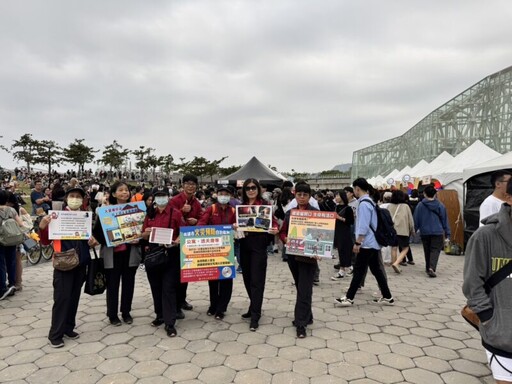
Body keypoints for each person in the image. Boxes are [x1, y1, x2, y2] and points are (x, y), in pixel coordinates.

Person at [462, 178, 512, 384]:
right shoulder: (484, 237)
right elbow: (472, 283)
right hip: (502, 335)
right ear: (508, 198)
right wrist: (488, 317)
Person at [38, 186, 93, 348]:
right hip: (64, 263)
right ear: (66, 198)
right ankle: (55, 334)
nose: (75, 199)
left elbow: (86, 239)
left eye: (79, 197)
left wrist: (91, 241)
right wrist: (42, 227)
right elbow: (46, 241)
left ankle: (69, 327)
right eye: (72, 196)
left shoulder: (84, 216)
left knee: (74, 297)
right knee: (62, 298)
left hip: (81, 263)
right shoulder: (56, 217)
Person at [335, 178, 394, 306]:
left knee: (359, 270)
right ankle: (387, 296)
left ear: (357, 189)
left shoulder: (364, 204)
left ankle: (349, 298)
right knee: (375, 270)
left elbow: (363, 226)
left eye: (354, 189)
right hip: (372, 242)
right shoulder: (370, 202)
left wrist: (357, 243)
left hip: (367, 243)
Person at [90, 181, 141, 326]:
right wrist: (107, 238)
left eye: (127, 190)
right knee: (112, 285)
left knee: (128, 284)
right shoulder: (106, 212)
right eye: (121, 190)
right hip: (112, 254)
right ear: (113, 194)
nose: (125, 192)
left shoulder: (135, 210)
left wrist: (138, 239)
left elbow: (140, 230)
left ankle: (126, 312)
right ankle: (112, 314)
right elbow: (98, 233)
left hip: (129, 253)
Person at [141, 186, 184, 337]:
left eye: (163, 195)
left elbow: (183, 233)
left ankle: (170, 322)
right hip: (152, 254)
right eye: (157, 196)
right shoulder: (149, 214)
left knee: (168, 288)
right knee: (156, 287)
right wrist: (146, 233)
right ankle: (159, 315)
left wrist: (175, 242)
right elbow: (144, 235)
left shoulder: (176, 213)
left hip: (170, 254)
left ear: (168, 197)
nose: (160, 199)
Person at [279, 181, 320, 338]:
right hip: (293, 256)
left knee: (304, 288)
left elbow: (322, 234)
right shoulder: (291, 213)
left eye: (305, 194)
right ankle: (307, 316)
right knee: (301, 286)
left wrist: (320, 249)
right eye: (299, 194)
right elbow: (282, 232)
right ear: (295, 195)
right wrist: (286, 239)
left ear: (309, 196)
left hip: (309, 257)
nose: (302, 197)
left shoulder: (316, 213)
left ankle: (300, 323)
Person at [238, 178, 279, 331]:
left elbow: (273, 222)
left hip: (259, 245)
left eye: (253, 187)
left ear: (259, 189)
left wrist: (275, 229)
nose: (250, 190)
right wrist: (235, 225)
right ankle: (253, 306)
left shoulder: (265, 205)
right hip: (244, 243)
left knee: (257, 280)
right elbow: (233, 223)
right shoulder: (241, 206)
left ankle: (256, 314)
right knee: (247, 278)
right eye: (247, 188)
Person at [197, 186, 236, 320]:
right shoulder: (211, 209)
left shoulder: (233, 211)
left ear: (230, 196)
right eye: (221, 193)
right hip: (212, 250)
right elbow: (201, 224)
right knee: (213, 279)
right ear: (216, 195)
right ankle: (213, 305)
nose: (223, 196)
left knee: (226, 278)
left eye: (226, 194)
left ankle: (221, 308)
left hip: (227, 251)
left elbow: (239, 227)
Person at [169, 174, 203, 314]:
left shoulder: (196, 202)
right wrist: (182, 213)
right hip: (176, 242)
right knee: (176, 275)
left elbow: (202, 217)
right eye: (188, 183)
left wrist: (197, 221)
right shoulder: (174, 200)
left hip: (190, 242)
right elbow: (170, 219)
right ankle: (175, 305)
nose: (190, 186)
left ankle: (182, 300)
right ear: (182, 185)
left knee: (186, 273)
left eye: (193, 184)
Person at [413, 185, 451, 278]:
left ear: (425, 194)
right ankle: (432, 268)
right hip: (437, 231)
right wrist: (447, 233)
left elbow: (416, 219)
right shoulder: (440, 205)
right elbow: (444, 220)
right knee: (435, 250)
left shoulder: (420, 205)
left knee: (427, 250)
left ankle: (428, 267)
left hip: (425, 231)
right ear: (435, 194)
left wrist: (414, 230)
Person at [0, 190, 26, 300]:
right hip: (11, 239)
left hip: (0, 240)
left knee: (1, 264)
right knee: (11, 262)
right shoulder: (11, 210)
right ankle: (12, 284)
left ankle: (2, 288)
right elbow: (20, 223)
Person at [6, 192, 32, 292]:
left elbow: (28, 223)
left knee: (17, 260)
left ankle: (18, 282)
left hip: (17, 238)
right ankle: (13, 281)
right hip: (9, 238)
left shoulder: (19, 209)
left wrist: (18, 226)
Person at [388, 190, 415, 274]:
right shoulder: (405, 206)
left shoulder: (389, 206)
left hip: (392, 230)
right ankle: (396, 263)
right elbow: (410, 220)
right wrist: (412, 230)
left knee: (394, 247)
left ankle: (394, 263)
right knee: (405, 248)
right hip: (402, 230)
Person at [331, 190, 355, 280]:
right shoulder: (336, 207)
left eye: (337, 196)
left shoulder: (348, 208)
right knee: (340, 250)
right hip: (337, 231)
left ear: (342, 197)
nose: (336, 198)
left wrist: (339, 218)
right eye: (335, 196)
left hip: (345, 232)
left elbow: (350, 221)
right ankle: (348, 267)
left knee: (344, 250)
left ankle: (342, 270)